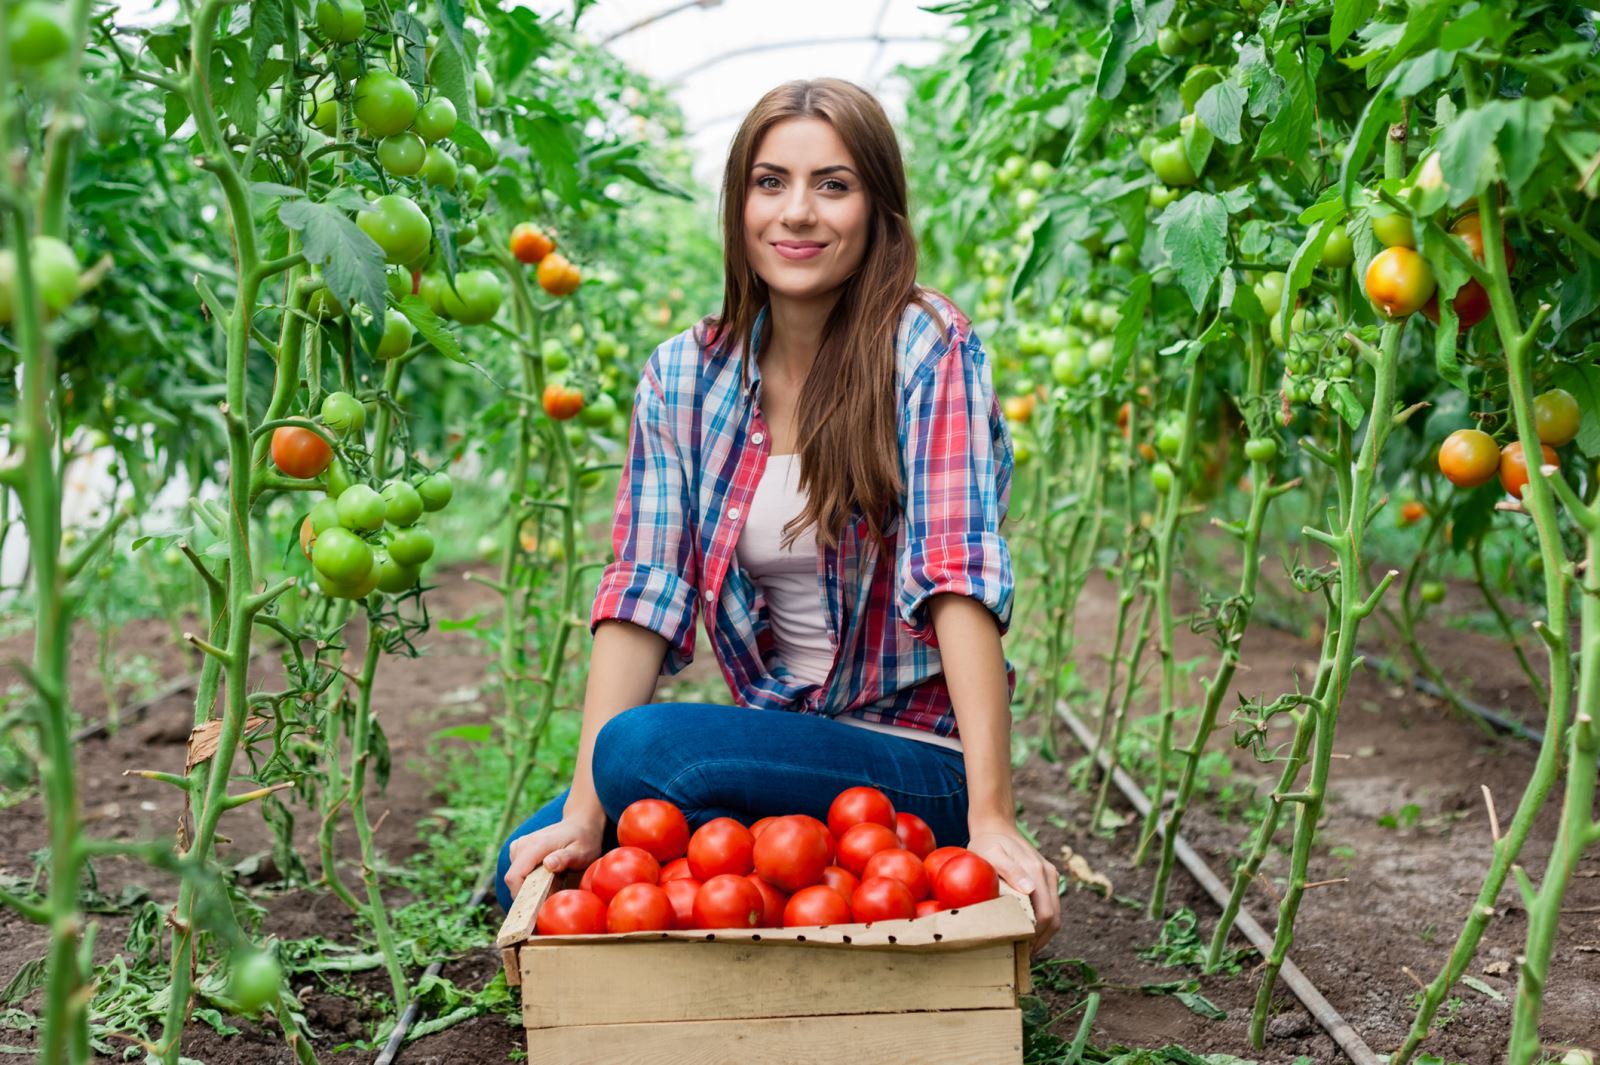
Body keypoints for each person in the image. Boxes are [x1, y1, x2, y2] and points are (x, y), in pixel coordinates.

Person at [497, 77, 1060, 951]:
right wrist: (581, 814)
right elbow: (643, 593)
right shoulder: (685, 376)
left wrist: (991, 815)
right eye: (771, 182)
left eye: (833, 185)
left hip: (911, 763)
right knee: (538, 849)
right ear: (740, 203)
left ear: (878, 209)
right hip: (782, 740)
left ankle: (884, 846)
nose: (797, 212)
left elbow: (958, 577)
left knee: (648, 750)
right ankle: (803, 866)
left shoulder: (927, 347)